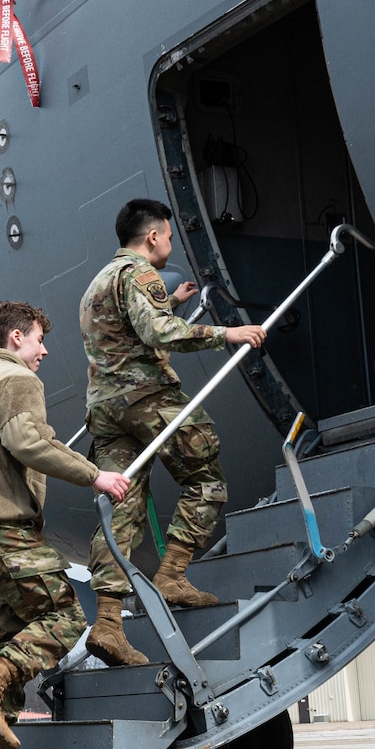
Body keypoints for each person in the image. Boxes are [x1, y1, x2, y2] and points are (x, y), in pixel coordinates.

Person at [0, 302, 130, 749]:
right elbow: (28, 442)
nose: (44, 350)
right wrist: (94, 475)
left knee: (9, 637)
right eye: (39, 339)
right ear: (16, 337)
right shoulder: (16, 379)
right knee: (64, 616)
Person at [79, 198, 267, 665]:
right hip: (147, 399)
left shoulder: (97, 284)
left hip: (106, 409)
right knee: (206, 478)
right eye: (166, 234)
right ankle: (173, 575)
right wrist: (227, 333)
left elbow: (128, 330)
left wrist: (173, 301)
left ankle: (107, 622)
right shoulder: (139, 274)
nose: (168, 241)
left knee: (122, 506)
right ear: (153, 237)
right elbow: (159, 332)